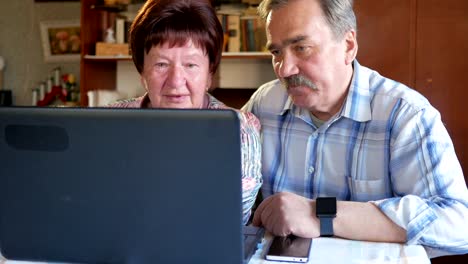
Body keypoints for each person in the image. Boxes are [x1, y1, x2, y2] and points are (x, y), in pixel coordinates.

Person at [242, 0, 468, 258]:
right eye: (276, 53)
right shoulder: (264, 104)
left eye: (301, 48)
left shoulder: (406, 115)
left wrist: (320, 215)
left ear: (348, 46)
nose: (285, 69)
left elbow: (458, 224)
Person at [109, 0, 262, 225]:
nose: (176, 80)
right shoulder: (110, 123)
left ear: (210, 74)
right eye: (161, 64)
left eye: (190, 65)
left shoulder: (240, 131)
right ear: (142, 72)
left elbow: (228, 219)